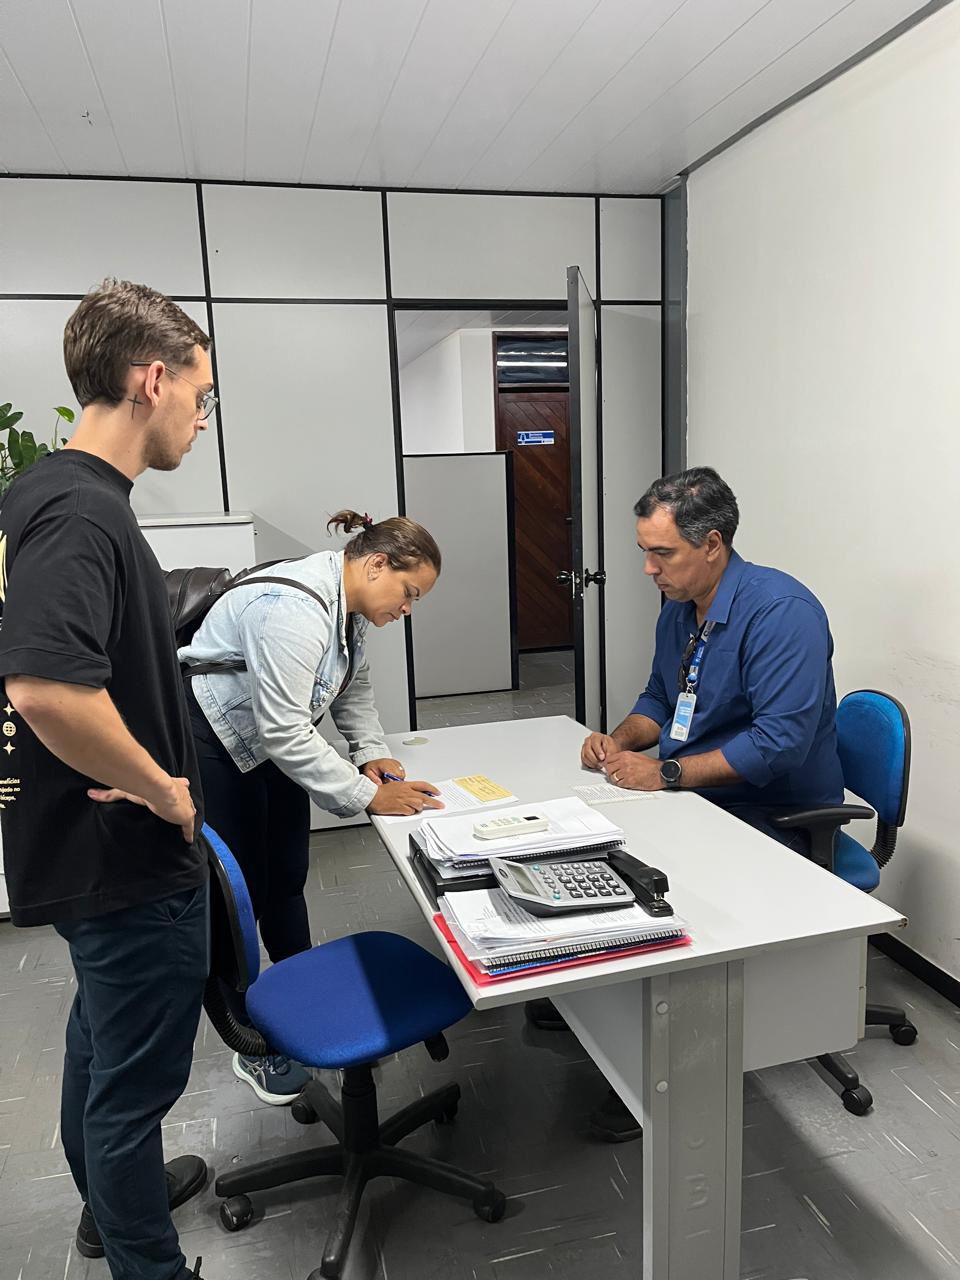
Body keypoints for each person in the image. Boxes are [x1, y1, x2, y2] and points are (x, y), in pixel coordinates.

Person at [0, 280, 215, 1278]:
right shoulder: (83, 511)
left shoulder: (41, 492)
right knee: (131, 1092)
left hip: (82, 853)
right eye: (200, 395)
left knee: (100, 1043)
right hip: (125, 858)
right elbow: (45, 686)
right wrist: (164, 788)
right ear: (151, 380)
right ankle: (146, 1262)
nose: (202, 418)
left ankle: (106, 1210)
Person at [532, 466, 845, 1142]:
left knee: (658, 887)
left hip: (772, 811)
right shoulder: (681, 608)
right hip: (699, 792)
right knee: (599, 840)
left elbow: (778, 746)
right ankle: (598, 1000)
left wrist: (666, 773)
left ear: (713, 544)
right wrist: (619, 742)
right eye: (644, 551)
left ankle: (662, 1072)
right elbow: (660, 699)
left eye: (662, 553)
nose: (648, 569)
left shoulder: (781, 613)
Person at [179, 509, 445, 1103]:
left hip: (269, 739)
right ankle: (253, 1043)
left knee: (285, 875)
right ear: (376, 565)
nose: (407, 609)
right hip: (215, 740)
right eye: (408, 593)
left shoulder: (346, 608)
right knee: (235, 895)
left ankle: (302, 1007)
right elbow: (284, 732)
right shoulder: (293, 610)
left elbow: (352, 684)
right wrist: (369, 794)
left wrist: (371, 752)